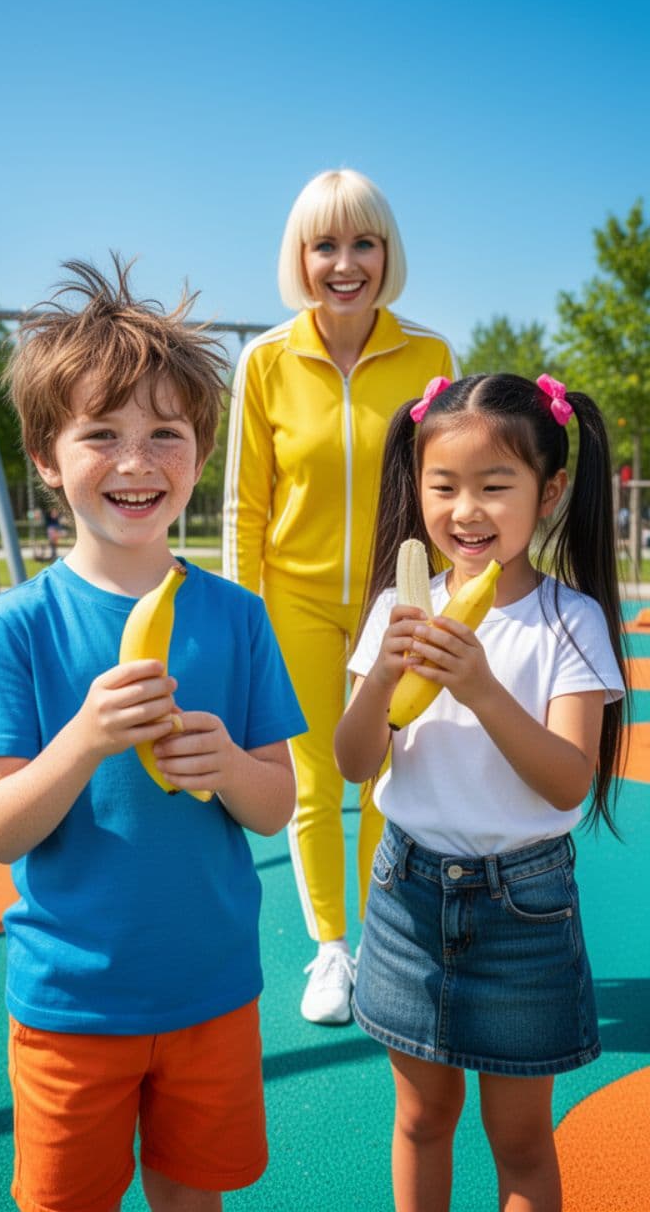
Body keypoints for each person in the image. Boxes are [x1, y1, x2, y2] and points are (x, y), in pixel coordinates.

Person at [0, 259, 306, 1212]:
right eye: (101, 434)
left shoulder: (238, 617)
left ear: (201, 451)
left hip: (213, 991)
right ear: (45, 456)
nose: (137, 462)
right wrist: (83, 740)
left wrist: (228, 765)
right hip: (72, 1002)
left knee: (194, 1196)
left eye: (165, 434)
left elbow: (276, 806)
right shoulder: (18, 626)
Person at [334, 372, 627, 1212]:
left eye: (495, 486)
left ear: (550, 491)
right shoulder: (400, 609)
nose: (466, 511)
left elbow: (568, 780)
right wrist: (381, 675)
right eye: (443, 486)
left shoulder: (570, 620)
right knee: (422, 1118)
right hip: (407, 895)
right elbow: (354, 761)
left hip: (523, 907)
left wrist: (482, 688)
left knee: (521, 1140)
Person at [223, 168, 456, 1024]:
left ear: (388, 253)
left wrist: (453, 593)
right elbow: (244, 505)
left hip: (398, 599)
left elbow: (449, 481)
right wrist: (241, 620)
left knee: (391, 770)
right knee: (316, 776)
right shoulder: (266, 361)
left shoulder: (431, 358)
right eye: (325, 245)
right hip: (294, 600)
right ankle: (332, 950)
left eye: (364, 243)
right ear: (301, 256)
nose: (345, 263)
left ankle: (385, 939)